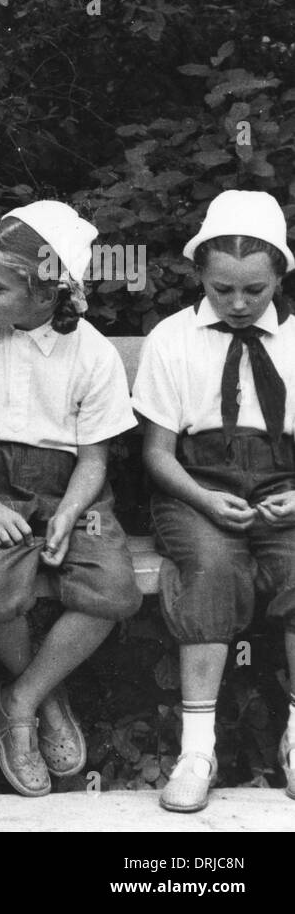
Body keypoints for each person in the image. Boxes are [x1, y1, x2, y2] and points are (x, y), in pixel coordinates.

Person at [0, 201, 141, 797]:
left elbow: (95, 460)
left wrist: (72, 514)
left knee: (112, 587)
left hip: (74, 489)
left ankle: (19, 697)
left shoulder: (94, 354)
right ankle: (47, 705)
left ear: (48, 293)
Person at [132, 189, 295, 812]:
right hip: (196, 486)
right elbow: (156, 455)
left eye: (254, 289)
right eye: (222, 288)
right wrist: (202, 498)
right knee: (212, 566)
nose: (237, 303)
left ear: (279, 275)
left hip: (282, 486)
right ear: (199, 272)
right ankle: (197, 749)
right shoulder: (174, 339)